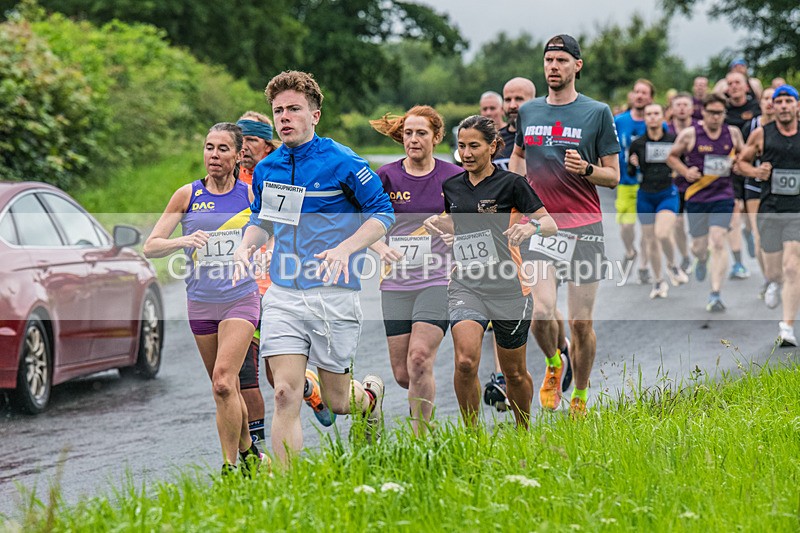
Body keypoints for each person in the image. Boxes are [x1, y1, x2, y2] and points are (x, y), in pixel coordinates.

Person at [232, 71, 394, 466]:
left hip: (334, 293)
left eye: (294, 109)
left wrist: (345, 248)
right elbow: (262, 220)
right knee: (284, 392)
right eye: (278, 111)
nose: (284, 117)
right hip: (284, 294)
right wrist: (244, 247)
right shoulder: (268, 168)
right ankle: (289, 489)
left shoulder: (342, 161)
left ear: (315, 115)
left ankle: (369, 398)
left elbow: (382, 213)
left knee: (338, 400)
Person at [509, 34, 621, 418]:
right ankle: (555, 363)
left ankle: (581, 397)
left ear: (577, 65)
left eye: (561, 60)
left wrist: (587, 169)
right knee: (541, 312)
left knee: (580, 322)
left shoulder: (597, 112)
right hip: (541, 225)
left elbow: (613, 176)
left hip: (583, 227)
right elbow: (518, 156)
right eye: (548, 60)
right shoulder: (529, 111)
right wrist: (518, 192)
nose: (553, 67)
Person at [144, 123, 264, 473]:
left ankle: (229, 468)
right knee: (225, 389)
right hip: (200, 303)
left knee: (224, 380)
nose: (214, 155)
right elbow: (151, 246)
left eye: (223, 148)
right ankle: (249, 453)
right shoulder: (187, 195)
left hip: (240, 298)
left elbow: (272, 234)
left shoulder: (250, 195)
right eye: (209, 147)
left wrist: (261, 254)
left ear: (239, 155)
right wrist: (182, 241)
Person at [424, 115, 557, 428]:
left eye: (474, 146)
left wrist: (531, 228)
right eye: (461, 146)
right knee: (465, 361)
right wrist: (439, 223)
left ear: (493, 146)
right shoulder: (452, 186)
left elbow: (549, 223)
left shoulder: (512, 184)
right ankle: (472, 437)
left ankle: (523, 432)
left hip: (509, 288)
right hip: (466, 285)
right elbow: (457, 221)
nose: (466, 153)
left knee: (514, 373)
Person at [368, 105, 462, 434]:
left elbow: (473, 221)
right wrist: (379, 247)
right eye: (408, 133)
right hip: (395, 281)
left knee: (420, 358)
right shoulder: (387, 176)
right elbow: (364, 221)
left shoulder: (453, 176)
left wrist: (453, 232)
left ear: (436, 137)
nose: (413, 139)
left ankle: (421, 440)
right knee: (403, 373)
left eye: (421, 133)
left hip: (438, 278)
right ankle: (372, 402)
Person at [667, 93, 745, 312]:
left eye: (719, 113)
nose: (715, 117)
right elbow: (671, 157)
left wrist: (738, 164)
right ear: (703, 112)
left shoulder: (733, 133)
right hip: (697, 197)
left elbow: (744, 154)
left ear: (724, 114)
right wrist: (685, 171)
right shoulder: (690, 134)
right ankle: (701, 259)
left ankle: (715, 293)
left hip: (723, 196)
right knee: (699, 247)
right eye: (711, 113)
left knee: (718, 241)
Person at [736, 84, 800, 345]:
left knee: (792, 267)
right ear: (773, 106)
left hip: (796, 210)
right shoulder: (761, 134)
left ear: (797, 106)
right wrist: (755, 172)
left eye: (788, 101)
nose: (783, 106)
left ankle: (787, 328)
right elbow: (740, 162)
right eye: (779, 102)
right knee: (774, 270)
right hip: (770, 208)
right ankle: (773, 282)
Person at [628, 103, 687, 299]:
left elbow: (683, 162)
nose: (652, 117)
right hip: (645, 195)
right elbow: (630, 172)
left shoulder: (673, 140)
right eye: (649, 114)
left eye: (656, 113)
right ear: (644, 118)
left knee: (662, 234)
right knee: (650, 240)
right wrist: (633, 164)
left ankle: (672, 264)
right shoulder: (638, 143)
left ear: (663, 117)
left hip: (667, 193)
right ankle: (658, 281)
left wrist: (679, 170)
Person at [615, 79, 655, 284]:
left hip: (650, 184)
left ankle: (644, 267)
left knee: (648, 229)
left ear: (651, 98)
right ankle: (630, 252)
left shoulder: (656, 123)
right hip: (626, 182)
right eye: (637, 91)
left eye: (644, 92)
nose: (639, 96)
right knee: (626, 228)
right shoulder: (620, 121)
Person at [724, 70, 762, 280]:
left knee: (749, 216)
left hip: (750, 166)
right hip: (729, 169)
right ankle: (738, 263)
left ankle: (748, 232)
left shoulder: (756, 107)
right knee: (734, 213)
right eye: (730, 83)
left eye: (737, 82)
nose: (734, 86)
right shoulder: (723, 109)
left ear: (746, 87)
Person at [741, 88, 776, 296]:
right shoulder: (752, 127)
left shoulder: (793, 127)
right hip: (756, 187)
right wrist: (756, 171)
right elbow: (740, 161)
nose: (770, 102)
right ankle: (768, 280)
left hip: (785, 191)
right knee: (760, 236)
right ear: (760, 103)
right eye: (766, 98)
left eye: (774, 98)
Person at [667, 92, 699, 274]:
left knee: (698, 227)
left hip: (697, 185)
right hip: (674, 184)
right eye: (678, 105)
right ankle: (685, 256)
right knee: (677, 224)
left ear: (692, 109)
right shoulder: (666, 130)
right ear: (672, 109)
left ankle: (699, 251)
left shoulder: (700, 129)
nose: (681, 108)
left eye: (685, 105)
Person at [494, 78, 536, 170]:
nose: (512, 106)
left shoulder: (544, 139)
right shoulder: (494, 141)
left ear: (534, 102)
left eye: (519, 99)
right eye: (508, 100)